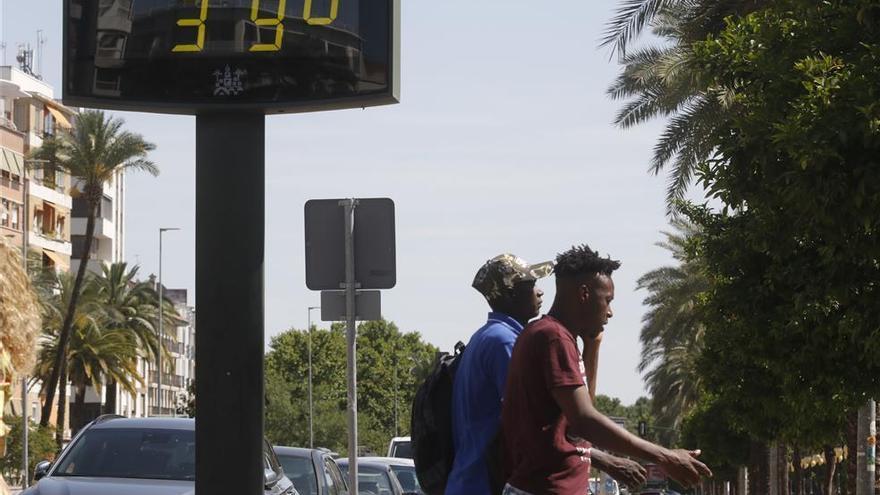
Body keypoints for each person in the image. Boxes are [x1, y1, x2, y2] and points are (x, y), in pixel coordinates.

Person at [501, 244, 712, 495]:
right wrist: (664, 456)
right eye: (607, 300)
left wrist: (592, 347)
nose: (610, 312)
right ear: (584, 294)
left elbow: (578, 418)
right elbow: (585, 421)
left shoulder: (555, 336)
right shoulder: (552, 337)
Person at [446, 254, 645, 495]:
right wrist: (606, 460)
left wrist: (591, 348)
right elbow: (555, 421)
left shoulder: (489, 336)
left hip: (470, 481)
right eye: (530, 285)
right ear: (510, 295)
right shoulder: (506, 342)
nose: (540, 292)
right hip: (485, 484)